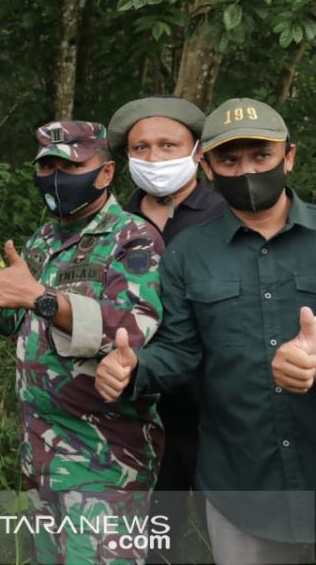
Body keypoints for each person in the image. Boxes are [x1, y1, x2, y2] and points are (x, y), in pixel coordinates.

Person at [96, 98, 316, 565]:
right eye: (230, 160)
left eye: (261, 156)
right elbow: (179, 349)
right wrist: (134, 369)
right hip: (240, 479)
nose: (247, 170)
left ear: (289, 156)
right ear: (208, 165)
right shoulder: (188, 252)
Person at [0, 120, 165, 564]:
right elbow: (13, 318)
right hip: (43, 457)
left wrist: (40, 297)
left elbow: (130, 328)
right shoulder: (45, 239)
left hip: (102, 461)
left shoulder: (132, 237)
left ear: (105, 173)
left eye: (70, 165)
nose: (56, 178)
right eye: (46, 166)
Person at [106, 96, 226, 558]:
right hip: (135, 410)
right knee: (156, 538)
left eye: (168, 145)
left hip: (211, 405)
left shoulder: (224, 215)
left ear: (197, 151)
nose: (155, 158)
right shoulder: (115, 223)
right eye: (142, 148)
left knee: (229, 533)